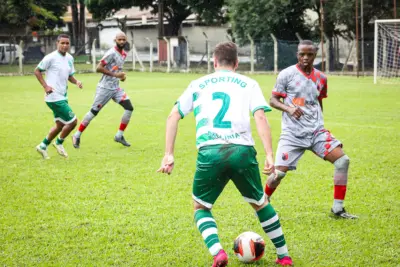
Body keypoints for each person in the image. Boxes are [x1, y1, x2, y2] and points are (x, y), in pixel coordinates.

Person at [157, 41, 293, 267]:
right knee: (260, 203)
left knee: (201, 207)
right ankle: (284, 256)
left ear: (214, 62)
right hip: (242, 151)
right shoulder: (248, 83)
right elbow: (260, 116)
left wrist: (168, 154)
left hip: (210, 151)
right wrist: (270, 154)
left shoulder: (197, 83)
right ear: (237, 63)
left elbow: (173, 116)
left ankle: (218, 252)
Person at [264, 40, 357, 219]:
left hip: (316, 132)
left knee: (342, 161)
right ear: (297, 54)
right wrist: (289, 109)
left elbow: (318, 100)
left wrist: (319, 122)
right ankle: (263, 202)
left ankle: (337, 209)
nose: (305, 58)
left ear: (315, 55)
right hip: (292, 134)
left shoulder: (321, 77)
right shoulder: (287, 74)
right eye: (302, 54)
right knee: (278, 175)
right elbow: (273, 100)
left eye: (309, 54)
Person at [72, 32, 133, 148]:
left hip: (116, 88)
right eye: (119, 39)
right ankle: (77, 135)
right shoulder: (111, 53)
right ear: (115, 40)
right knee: (93, 112)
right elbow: (98, 68)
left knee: (129, 108)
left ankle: (119, 136)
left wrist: (122, 77)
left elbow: (117, 70)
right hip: (105, 88)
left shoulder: (124, 54)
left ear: (126, 40)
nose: (121, 42)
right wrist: (116, 75)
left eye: (123, 40)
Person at [34, 34, 83, 159]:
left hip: (62, 95)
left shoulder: (70, 58)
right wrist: (45, 86)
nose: (65, 45)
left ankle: (43, 146)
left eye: (67, 43)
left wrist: (76, 82)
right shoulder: (50, 57)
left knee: (60, 125)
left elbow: (69, 76)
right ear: (57, 43)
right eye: (62, 43)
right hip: (53, 97)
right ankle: (59, 143)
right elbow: (37, 70)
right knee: (73, 122)